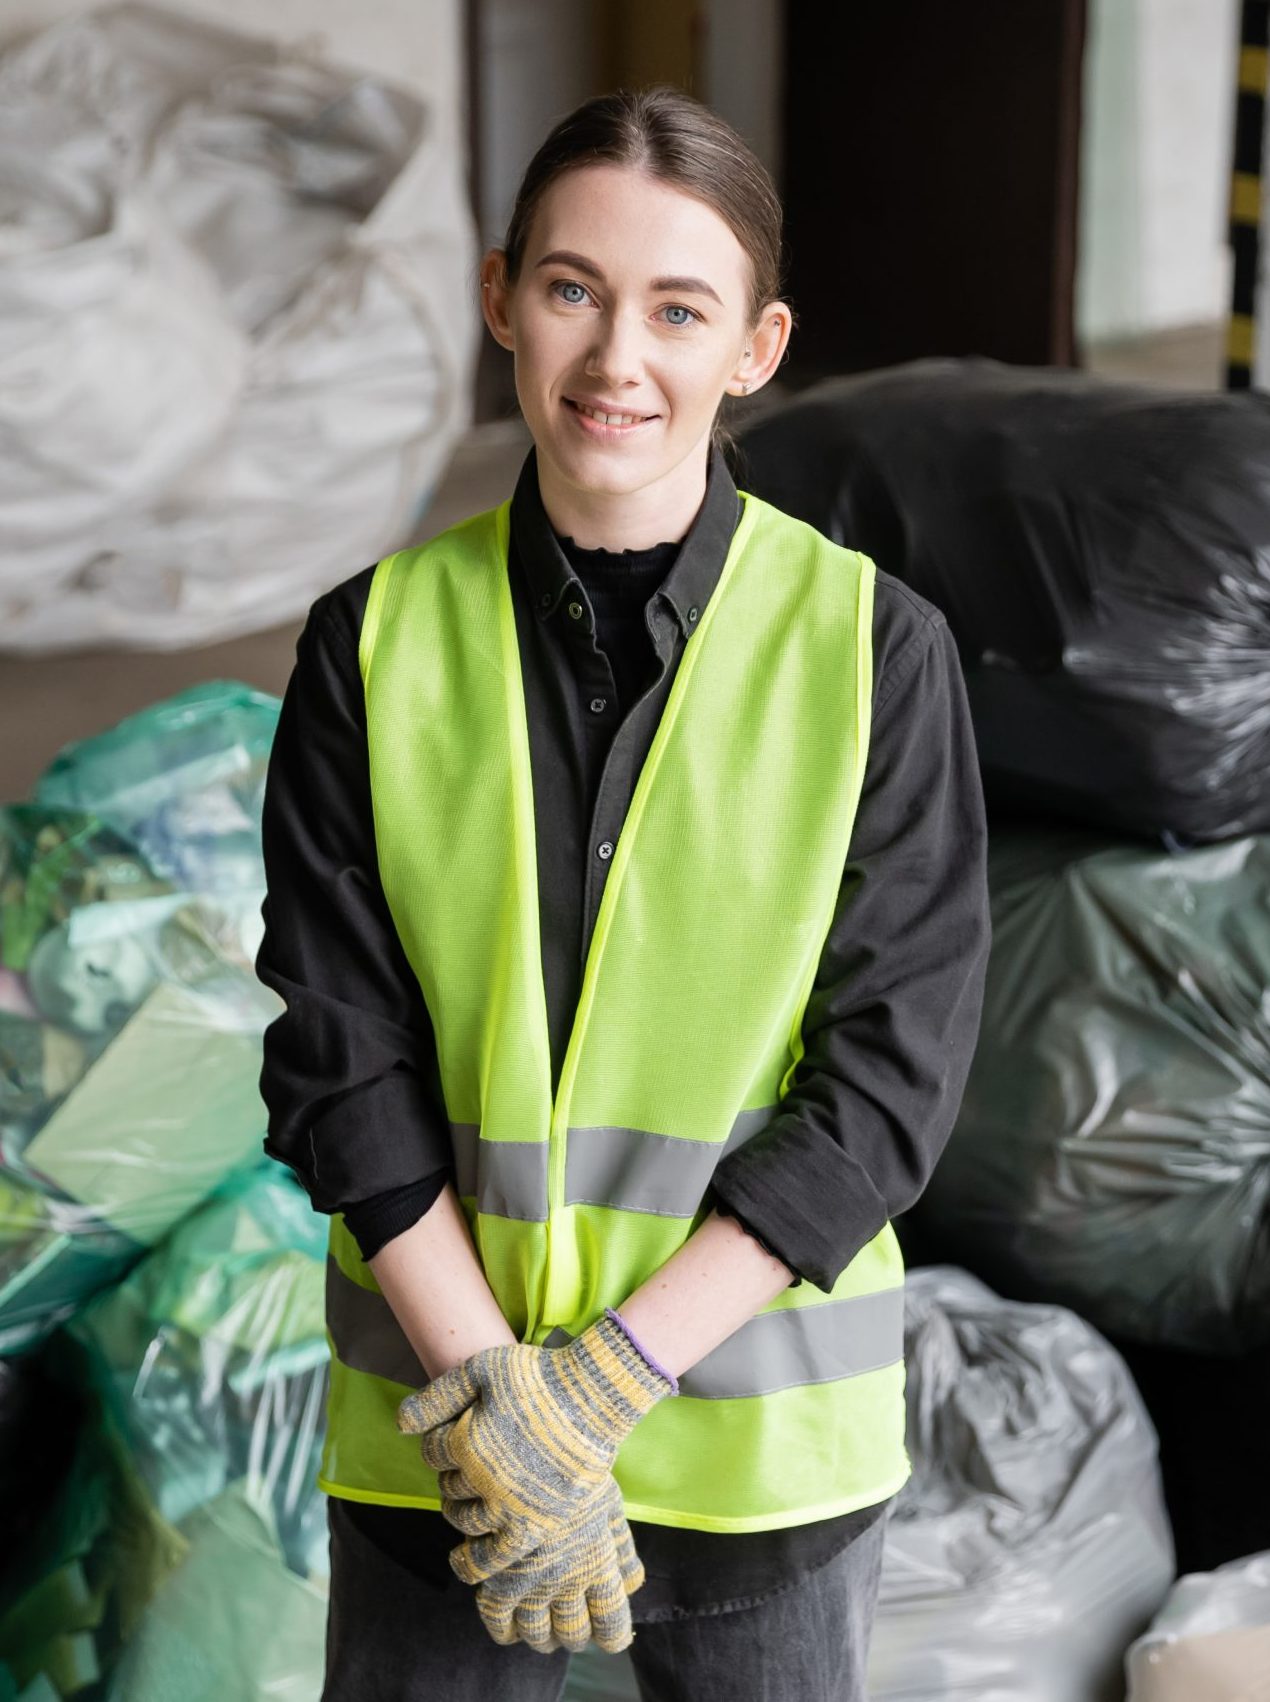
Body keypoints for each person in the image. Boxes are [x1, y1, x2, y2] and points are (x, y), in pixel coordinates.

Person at [255, 84, 991, 1702]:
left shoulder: (871, 655)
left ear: (755, 345)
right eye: (574, 289)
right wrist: (501, 1405)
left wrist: (599, 1391)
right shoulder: (369, 646)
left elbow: (884, 1084)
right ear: (500, 293)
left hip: (757, 1472)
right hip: (449, 1465)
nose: (614, 359)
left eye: (678, 309)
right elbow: (336, 1056)